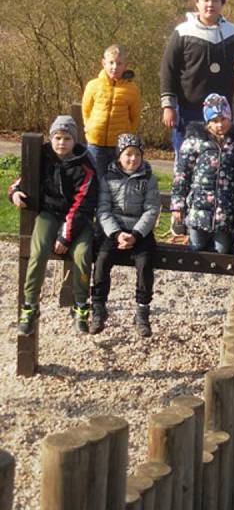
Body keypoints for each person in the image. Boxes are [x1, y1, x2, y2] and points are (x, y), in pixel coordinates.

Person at [9, 115, 97, 335]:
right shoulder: (43, 157)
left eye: (67, 138)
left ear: (74, 140)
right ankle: (30, 305)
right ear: (51, 138)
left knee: (83, 255)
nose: (61, 143)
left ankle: (80, 305)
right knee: (37, 253)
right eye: (57, 137)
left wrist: (65, 236)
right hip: (49, 213)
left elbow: (83, 202)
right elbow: (24, 179)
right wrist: (15, 193)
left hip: (78, 219)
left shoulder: (84, 164)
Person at [160, 0, 234, 157]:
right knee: (186, 156)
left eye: (216, 0)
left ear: (222, 4)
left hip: (222, 111)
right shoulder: (183, 32)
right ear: (197, 3)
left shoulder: (231, 31)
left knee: (220, 156)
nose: (210, 4)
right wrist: (168, 106)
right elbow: (168, 69)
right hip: (189, 108)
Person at [90, 134, 160, 337]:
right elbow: (103, 209)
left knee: (145, 262)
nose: (133, 159)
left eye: (137, 154)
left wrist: (136, 234)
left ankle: (142, 311)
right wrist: (116, 233)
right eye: (128, 154)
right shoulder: (108, 178)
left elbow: (151, 209)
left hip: (140, 230)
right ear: (119, 156)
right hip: (114, 230)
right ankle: (99, 307)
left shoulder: (148, 178)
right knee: (102, 260)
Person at [170, 94, 234, 254]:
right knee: (197, 247)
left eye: (223, 119)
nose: (220, 124)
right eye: (214, 120)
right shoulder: (195, 142)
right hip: (199, 208)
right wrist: (178, 204)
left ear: (230, 118)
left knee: (222, 250)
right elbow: (181, 175)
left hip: (225, 209)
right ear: (207, 122)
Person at [82, 44, 141, 177]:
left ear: (125, 65)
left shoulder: (132, 90)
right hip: (95, 142)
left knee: (116, 180)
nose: (115, 67)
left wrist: (127, 134)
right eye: (111, 62)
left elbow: (135, 116)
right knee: (94, 178)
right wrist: (89, 127)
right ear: (103, 63)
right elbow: (86, 110)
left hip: (118, 145)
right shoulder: (93, 85)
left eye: (119, 63)